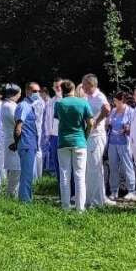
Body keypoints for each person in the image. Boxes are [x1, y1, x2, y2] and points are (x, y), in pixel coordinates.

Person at [55, 79, 93, 211]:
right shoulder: (83, 103)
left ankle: (65, 207)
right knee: (80, 176)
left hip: (63, 141)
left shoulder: (59, 103)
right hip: (79, 141)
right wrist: (85, 136)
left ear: (63, 90)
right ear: (73, 89)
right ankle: (80, 208)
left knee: (65, 175)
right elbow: (91, 123)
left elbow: (59, 119)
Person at [81, 74, 112, 208]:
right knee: (90, 168)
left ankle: (96, 201)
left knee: (94, 167)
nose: (82, 86)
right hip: (88, 136)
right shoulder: (87, 97)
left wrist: (96, 122)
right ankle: (93, 198)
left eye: (84, 84)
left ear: (91, 84)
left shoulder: (99, 96)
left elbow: (107, 109)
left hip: (96, 136)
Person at [14, 83, 43, 203]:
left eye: (38, 91)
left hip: (30, 143)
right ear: (27, 91)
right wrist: (19, 142)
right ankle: (25, 201)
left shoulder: (31, 106)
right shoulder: (24, 105)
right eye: (34, 91)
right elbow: (18, 128)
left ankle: (27, 198)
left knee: (29, 174)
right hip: (26, 143)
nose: (37, 93)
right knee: (27, 175)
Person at [106, 92, 136, 201]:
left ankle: (132, 191)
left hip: (124, 143)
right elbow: (108, 124)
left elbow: (134, 128)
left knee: (127, 166)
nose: (114, 103)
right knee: (113, 167)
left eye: (116, 101)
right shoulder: (113, 111)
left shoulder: (131, 112)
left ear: (122, 101)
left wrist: (127, 129)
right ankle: (114, 191)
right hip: (112, 143)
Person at [0, 84, 22, 198]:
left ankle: (11, 193)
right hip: (14, 139)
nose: (20, 96)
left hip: (8, 138)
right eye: (19, 93)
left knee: (12, 168)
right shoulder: (11, 106)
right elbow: (19, 123)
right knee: (16, 168)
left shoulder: (4, 105)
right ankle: (12, 194)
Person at [43, 79, 63, 178]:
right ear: (53, 88)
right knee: (54, 156)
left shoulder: (67, 100)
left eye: (59, 86)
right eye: (56, 87)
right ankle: (56, 176)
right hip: (53, 134)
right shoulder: (50, 102)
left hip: (64, 134)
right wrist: (48, 133)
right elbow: (47, 119)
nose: (58, 88)